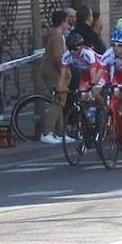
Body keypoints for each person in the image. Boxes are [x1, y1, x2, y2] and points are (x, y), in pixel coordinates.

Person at [38, 11, 69, 144]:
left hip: (51, 73)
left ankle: (60, 132)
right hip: (54, 75)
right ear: (62, 22)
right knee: (58, 102)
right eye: (67, 21)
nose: (68, 24)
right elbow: (58, 57)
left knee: (60, 102)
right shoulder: (57, 37)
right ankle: (47, 132)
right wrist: (65, 72)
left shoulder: (56, 36)